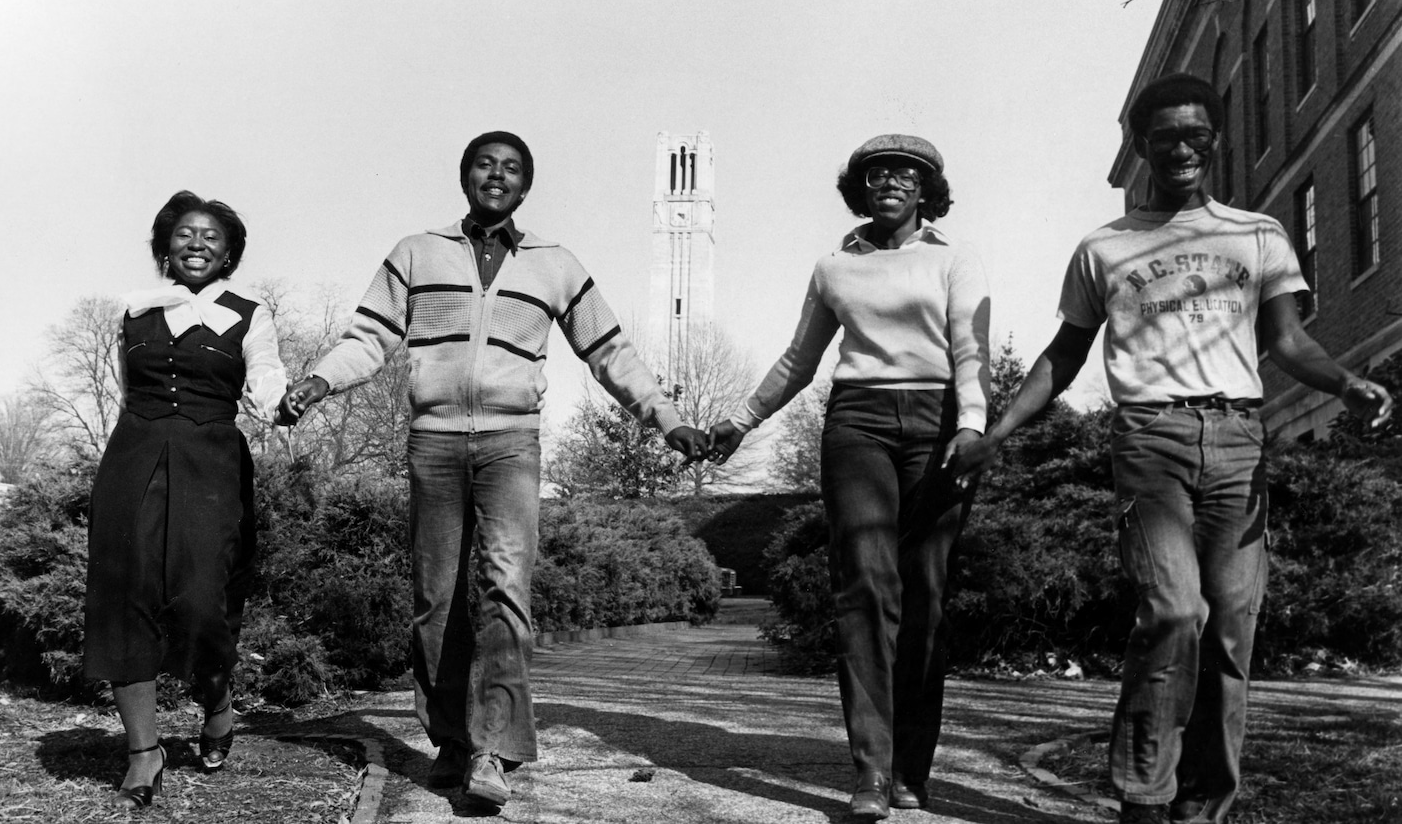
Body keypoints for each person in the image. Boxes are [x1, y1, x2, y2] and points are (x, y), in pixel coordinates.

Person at [951, 73, 1393, 824]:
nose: (1181, 149)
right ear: (1141, 145)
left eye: (1195, 135)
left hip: (1236, 441)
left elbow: (1286, 340)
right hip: (1149, 441)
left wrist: (1346, 382)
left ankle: (1204, 805)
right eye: (1165, 137)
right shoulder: (1105, 248)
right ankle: (1145, 796)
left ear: (1215, 141)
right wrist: (995, 431)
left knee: (1229, 627)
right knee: (1173, 611)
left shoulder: (1256, 234)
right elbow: (1063, 355)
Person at [278, 131, 707, 809]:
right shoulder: (416, 252)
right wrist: (318, 383)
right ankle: (450, 740)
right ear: (465, 177)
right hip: (434, 444)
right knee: (435, 601)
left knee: (507, 592)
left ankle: (495, 751)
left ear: (525, 187)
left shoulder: (556, 264)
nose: (496, 175)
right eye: (484, 164)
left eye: (510, 168)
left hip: (512, 443)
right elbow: (368, 339)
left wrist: (665, 415)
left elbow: (610, 351)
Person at [710, 134, 990, 819]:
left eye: (907, 173)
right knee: (865, 588)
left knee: (923, 594)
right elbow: (798, 360)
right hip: (858, 423)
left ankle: (909, 769)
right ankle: (869, 769)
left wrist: (973, 425)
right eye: (877, 172)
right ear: (859, 188)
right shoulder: (835, 266)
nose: (891, 180)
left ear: (926, 190)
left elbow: (970, 348)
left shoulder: (955, 258)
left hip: (939, 422)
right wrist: (741, 420)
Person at [83, 191, 288, 809]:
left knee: (204, 601)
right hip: (134, 459)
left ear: (230, 254)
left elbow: (268, 375)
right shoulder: (133, 310)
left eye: (212, 239)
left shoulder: (249, 314)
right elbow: (124, 393)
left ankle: (217, 700)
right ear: (164, 246)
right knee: (126, 597)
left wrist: (282, 402)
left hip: (211, 465)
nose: (197, 246)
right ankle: (144, 751)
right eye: (185, 235)